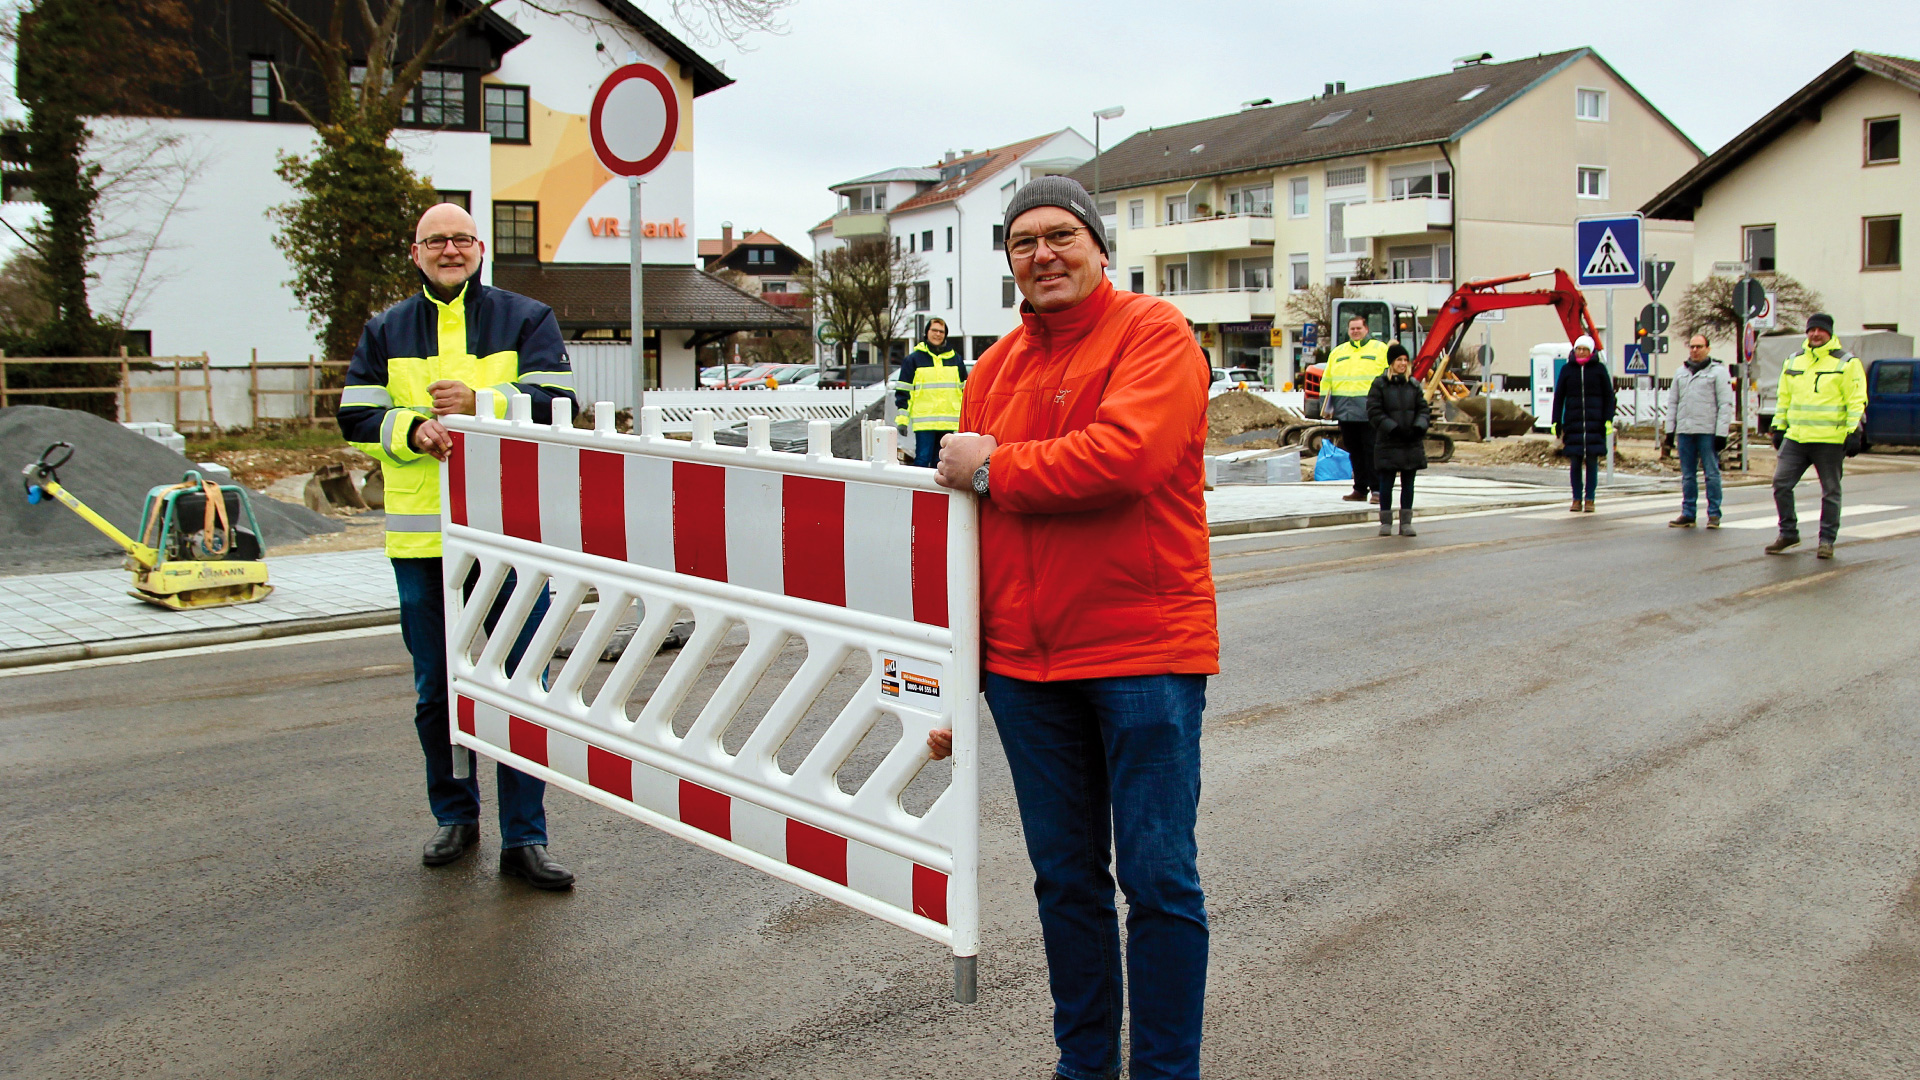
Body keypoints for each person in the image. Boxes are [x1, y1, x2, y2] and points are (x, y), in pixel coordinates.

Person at [928, 176, 1217, 1080]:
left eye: (1060, 236)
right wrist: (956, 677)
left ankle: (1166, 1072)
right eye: (1022, 243)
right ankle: (1083, 1066)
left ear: (1099, 246)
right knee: (1067, 883)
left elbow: (1126, 459)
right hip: (1023, 669)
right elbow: (968, 541)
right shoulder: (994, 368)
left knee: (1160, 880)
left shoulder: (1154, 334)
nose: (1042, 255)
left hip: (1142, 652)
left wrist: (994, 467)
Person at [338, 203, 579, 889]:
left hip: (508, 539)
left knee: (517, 687)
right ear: (415, 253)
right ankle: (455, 817)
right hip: (423, 542)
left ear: (480, 249)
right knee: (435, 691)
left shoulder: (526, 318)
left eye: (461, 239)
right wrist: (411, 428)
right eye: (435, 241)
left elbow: (558, 399)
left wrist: (482, 403)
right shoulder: (386, 328)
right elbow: (354, 412)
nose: (450, 250)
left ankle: (524, 838)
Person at [1766, 313, 1866, 559]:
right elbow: (1784, 398)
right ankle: (1788, 533)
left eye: (1820, 330)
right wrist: (1779, 426)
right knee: (1781, 484)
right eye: (1811, 330)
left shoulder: (1846, 363)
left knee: (1830, 491)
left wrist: (1854, 431)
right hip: (1797, 438)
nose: (1815, 334)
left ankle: (1826, 540)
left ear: (1830, 333)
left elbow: (1856, 400)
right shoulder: (1793, 361)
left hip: (1829, 440)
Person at [1663, 334, 1733, 528]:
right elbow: (1673, 402)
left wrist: (1721, 433)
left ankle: (1713, 514)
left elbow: (1725, 404)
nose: (1695, 350)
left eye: (1699, 347)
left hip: (1707, 431)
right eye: (1692, 347)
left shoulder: (1718, 373)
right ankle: (1688, 512)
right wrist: (1670, 431)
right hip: (1685, 431)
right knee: (1687, 475)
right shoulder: (1681, 373)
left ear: (1708, 348)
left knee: (1711, 473)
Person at [1323, 313, 1390, 503]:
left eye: (1358, 328)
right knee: (1354, 451)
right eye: (1352, 328)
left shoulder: (1380, 349)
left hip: (1370, 410)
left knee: (1372, 450)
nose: (1355, 331)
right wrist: (1324, 405)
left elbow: (1388, 375)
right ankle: (1360, 489)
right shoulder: (1338, 352)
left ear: (1366, 329)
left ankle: (1377, 490)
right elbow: (1327, 379)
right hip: (1345, 410)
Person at [1366, 343, 1431, 537]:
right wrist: (1392, 428)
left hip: (1410, 441)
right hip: (1389, 441)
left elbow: (1423, 410)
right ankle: (1386, 522)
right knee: (1386, 483)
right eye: (1398, 360)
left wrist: (1418, 427)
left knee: (1408, 484)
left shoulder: (1413, 385)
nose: (1402, 364)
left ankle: (1406, 523)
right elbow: (1374, 411)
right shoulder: (1380, 384)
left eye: (1405, 360)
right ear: (1391, 363)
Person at [1551, 335, 1616, 513]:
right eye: (1578, 349)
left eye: (1584, 349)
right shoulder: (1567, 370)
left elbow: (1609, 395)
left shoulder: (1599, 370)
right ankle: (1576, 498)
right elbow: (1559, 397)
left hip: (1595, 423)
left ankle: (1590, 499)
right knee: (1575, 462)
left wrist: (1608, 418)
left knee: (1592, 462)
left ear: (1590, 351)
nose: (1581, 352)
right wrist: (1556, 421)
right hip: (1574, 423)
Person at [893, 317, 966, 468]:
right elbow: (903, 392)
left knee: (941, 464)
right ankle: (918, 491)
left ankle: (937, 493)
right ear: (926, 333)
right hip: (924, 422)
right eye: (934, 330)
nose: (938, 334)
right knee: (922, 459)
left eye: (941, 331)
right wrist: (902, 420)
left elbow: (965, 391)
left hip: (948, 421)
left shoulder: (956, 359)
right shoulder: (913, 360)